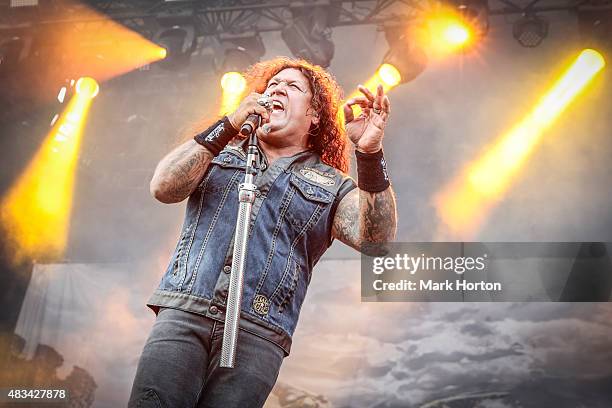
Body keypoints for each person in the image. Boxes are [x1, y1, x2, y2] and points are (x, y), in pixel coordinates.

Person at [128, 57, 397, 408]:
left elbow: (376, 241)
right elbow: (164, 187)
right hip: (186, 311)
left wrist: (370, 153)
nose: (276, 90)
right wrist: (228, 124)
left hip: (258, 332)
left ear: (314, 115)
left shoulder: (332, 184)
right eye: (272, 86)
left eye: (291, 87)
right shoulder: (219, 153)